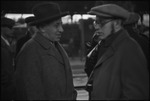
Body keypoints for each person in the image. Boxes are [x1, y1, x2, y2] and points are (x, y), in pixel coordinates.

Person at [14, 2, 77, 100]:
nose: (61, 29)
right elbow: (29, 93)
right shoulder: (29, 52)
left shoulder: (55, 45)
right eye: (56, 25)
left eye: (61, 24)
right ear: (42, 28)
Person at [85, 4, 149, 100]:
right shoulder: (106, 44)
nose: (97, 27)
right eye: (95, 22)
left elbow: (136, 95)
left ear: (117, 24)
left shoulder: (130, 49)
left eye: (101, 22)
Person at [1, 17, 16, 100]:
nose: (12, 30)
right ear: (2, 28)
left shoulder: (6, 42)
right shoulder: (3, 45)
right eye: (10, 27)